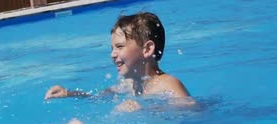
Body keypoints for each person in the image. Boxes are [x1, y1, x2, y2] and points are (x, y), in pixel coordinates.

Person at [45, 12, 193, 110]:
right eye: (112, 48)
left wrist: (146, 110)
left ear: (147, 49)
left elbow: (192, 112)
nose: (112, 54)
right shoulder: (129, 84)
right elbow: (98, 98)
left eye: (119, 47)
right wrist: (69, 93)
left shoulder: (168, 84)